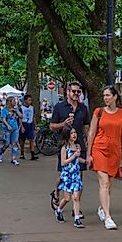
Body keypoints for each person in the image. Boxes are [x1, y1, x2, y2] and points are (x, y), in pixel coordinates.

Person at [86, 86, 122, 230]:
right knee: (104, 183)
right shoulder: (98, 112)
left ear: (115, 97)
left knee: (109, 186)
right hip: (99, 149)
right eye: (104, 95)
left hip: (114, 152)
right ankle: (108, 217)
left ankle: (101, 208)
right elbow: (91, 133)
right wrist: (88, 154)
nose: (105, 98)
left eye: (108, 95)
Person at [49, 82, 90, 210]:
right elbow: (52, 126)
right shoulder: (59, 107)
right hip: (65, 146)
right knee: (63, 175)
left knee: (79, 176)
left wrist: (89, 142)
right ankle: (56, 192)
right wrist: (63, 124)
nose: (76, 94)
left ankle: (76, 207)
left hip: (79, 146)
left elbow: (86, 127)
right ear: (67, 92)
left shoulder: (83, 108)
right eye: (74, 91)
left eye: (79, 92)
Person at [54, 126, 85, 228]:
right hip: (67, 175)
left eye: (75, 132)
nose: (74, 135)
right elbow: (63, 163)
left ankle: (77, 219)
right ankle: (59, 210)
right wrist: (74, 156)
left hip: (75, 174)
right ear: (67, 135)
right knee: (67, 198)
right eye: (72, 133)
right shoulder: (65, 148)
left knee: (76, 197)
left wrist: (84, 161)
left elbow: (77, 158)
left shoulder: (77, 146)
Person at [0, 96, 21, 165]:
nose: (15, 102)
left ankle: (13, 159)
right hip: (6, 129)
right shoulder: (4, 110)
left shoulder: (16, 109)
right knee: (6, 144)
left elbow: (21, 116)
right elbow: (3, 119)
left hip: (15, 129)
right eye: (13, 100)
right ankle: (0, 153)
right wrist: (8, 125)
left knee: (15, 143)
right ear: (9, 102)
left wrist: (16, 111)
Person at [20, 95, 39, 160]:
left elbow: (33, 117)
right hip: (24, 123)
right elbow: (20, 118)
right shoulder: (21, 108)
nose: (30, 101)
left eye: (31, 100)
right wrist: (21, 126)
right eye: (29, 100)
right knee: (22, 140)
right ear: (25, 100)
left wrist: (35, 125)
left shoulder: (32, 108)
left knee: (31, 139)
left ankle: (32, 154)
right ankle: (22, 153)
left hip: (30, 124)